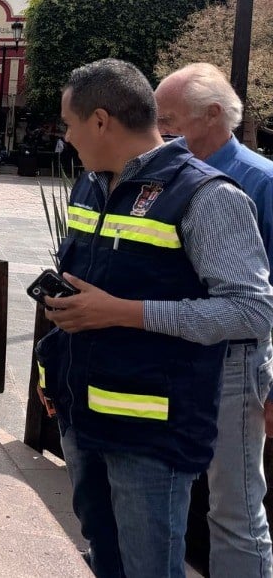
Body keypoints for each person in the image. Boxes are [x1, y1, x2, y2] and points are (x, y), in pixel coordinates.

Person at [35, 58, 273, 578]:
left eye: (69, 122)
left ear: (101, 122)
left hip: (152, 433)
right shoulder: (91, 185)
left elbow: (252, 311)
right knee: (107, 558)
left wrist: (122, 313)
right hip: (85, 416)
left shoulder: (207, 196)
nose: (66, 135)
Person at [156, 62, 273, 577]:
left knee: (235, 507)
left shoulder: (260, 182)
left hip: (237, 363)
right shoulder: (174, 176)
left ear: (211, 115)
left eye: (170, 118)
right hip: (184, 361)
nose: (159, 129)